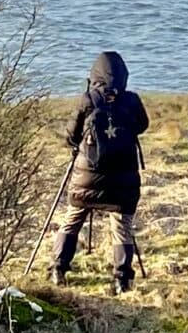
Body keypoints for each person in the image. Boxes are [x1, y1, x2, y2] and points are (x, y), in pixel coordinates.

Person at [51, 51, 149, 295]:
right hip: (123, 179)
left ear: (94, 75)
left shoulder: (88, 99)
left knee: (72, 220)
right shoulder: (131, 100)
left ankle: (58, 269)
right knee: (122, 226)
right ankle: (122, 279)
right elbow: (143, 125)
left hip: (87, 177)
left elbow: (70, 136)